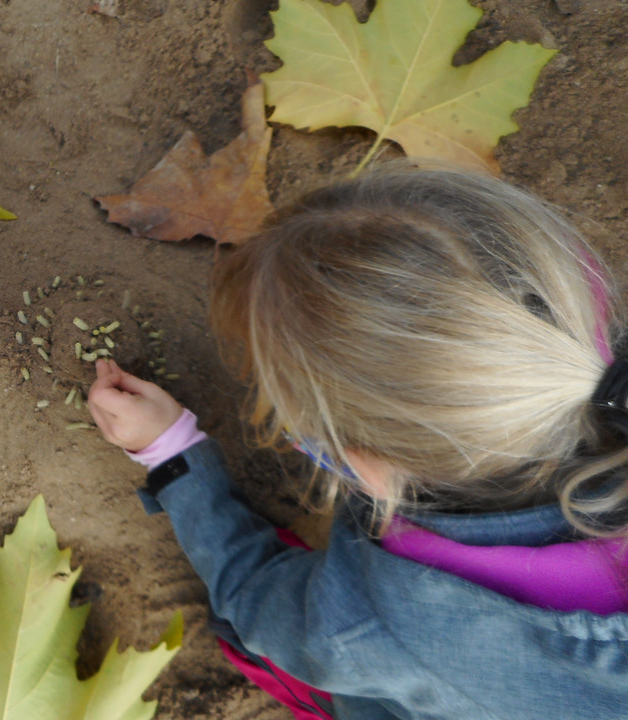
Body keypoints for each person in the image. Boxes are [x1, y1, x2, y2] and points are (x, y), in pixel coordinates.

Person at [88, 168, 628, 719]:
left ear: (371, 470)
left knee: (243, 630)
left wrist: (172, 454)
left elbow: (254, 598)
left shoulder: (366, 624)